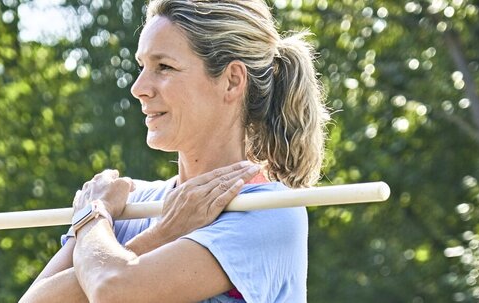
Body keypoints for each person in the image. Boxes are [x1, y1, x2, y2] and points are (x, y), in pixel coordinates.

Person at [20, 0, 328, 301]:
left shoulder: (270, 214)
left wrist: (91, 217)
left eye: (164, 66)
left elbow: (112, 290)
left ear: (232, 81)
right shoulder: (129, 205)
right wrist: (162, 235)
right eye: (142, 66)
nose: (139, 87)